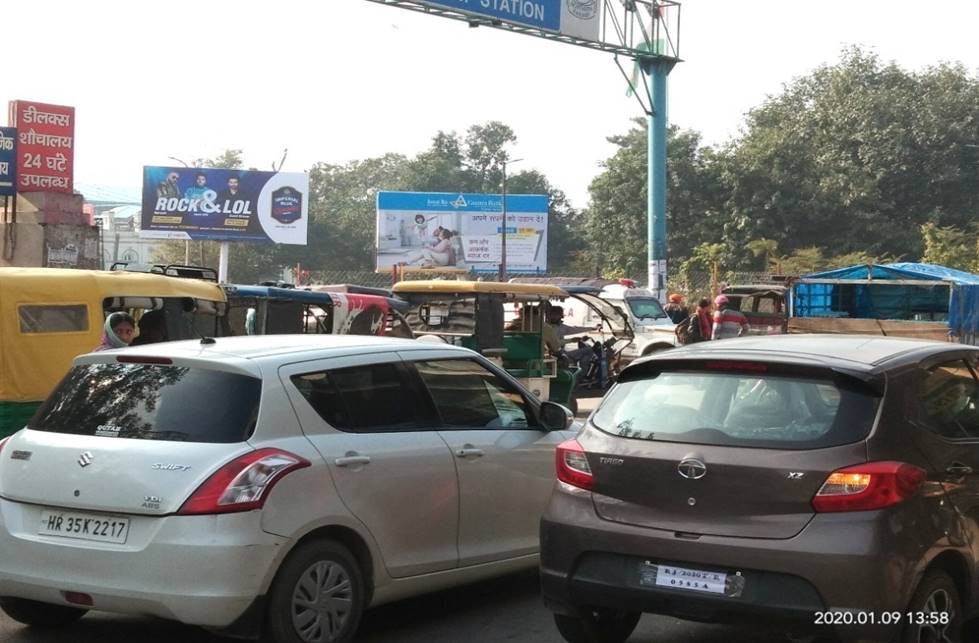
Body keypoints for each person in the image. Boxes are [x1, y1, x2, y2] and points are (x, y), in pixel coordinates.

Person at [545, 305, 598, 374]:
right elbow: (555, 343)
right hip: (557, 355)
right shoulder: (549, 328)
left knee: (585, 352)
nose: (562, 317)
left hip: (560, 353)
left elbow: (574, 329)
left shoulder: (559, 327)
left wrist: (592, 328)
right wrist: (571, 340)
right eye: (560, 315)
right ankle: (582, 376)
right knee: (589, 350)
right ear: (552, 315)